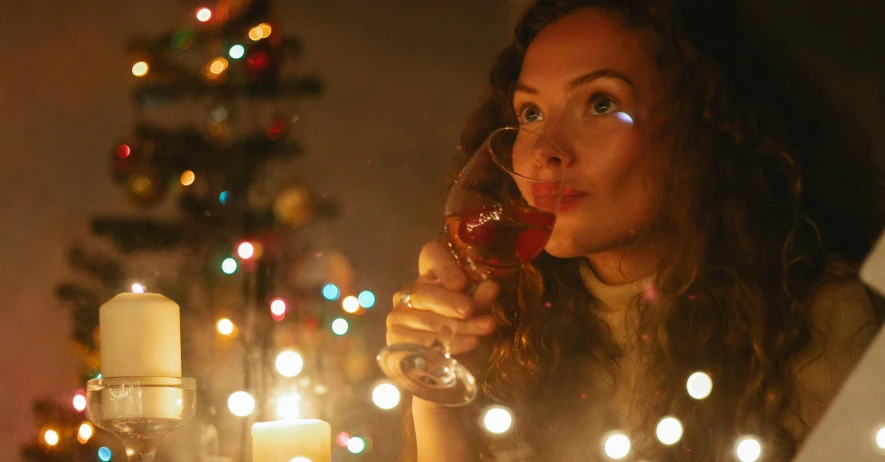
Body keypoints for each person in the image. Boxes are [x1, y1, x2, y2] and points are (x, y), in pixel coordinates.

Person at [385, 0, 884, 460]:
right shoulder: (514, 317)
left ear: (701, 129)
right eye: (530, 113)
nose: (545, 150)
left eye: (600, 104)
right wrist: (437, 407)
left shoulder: (813, 318)